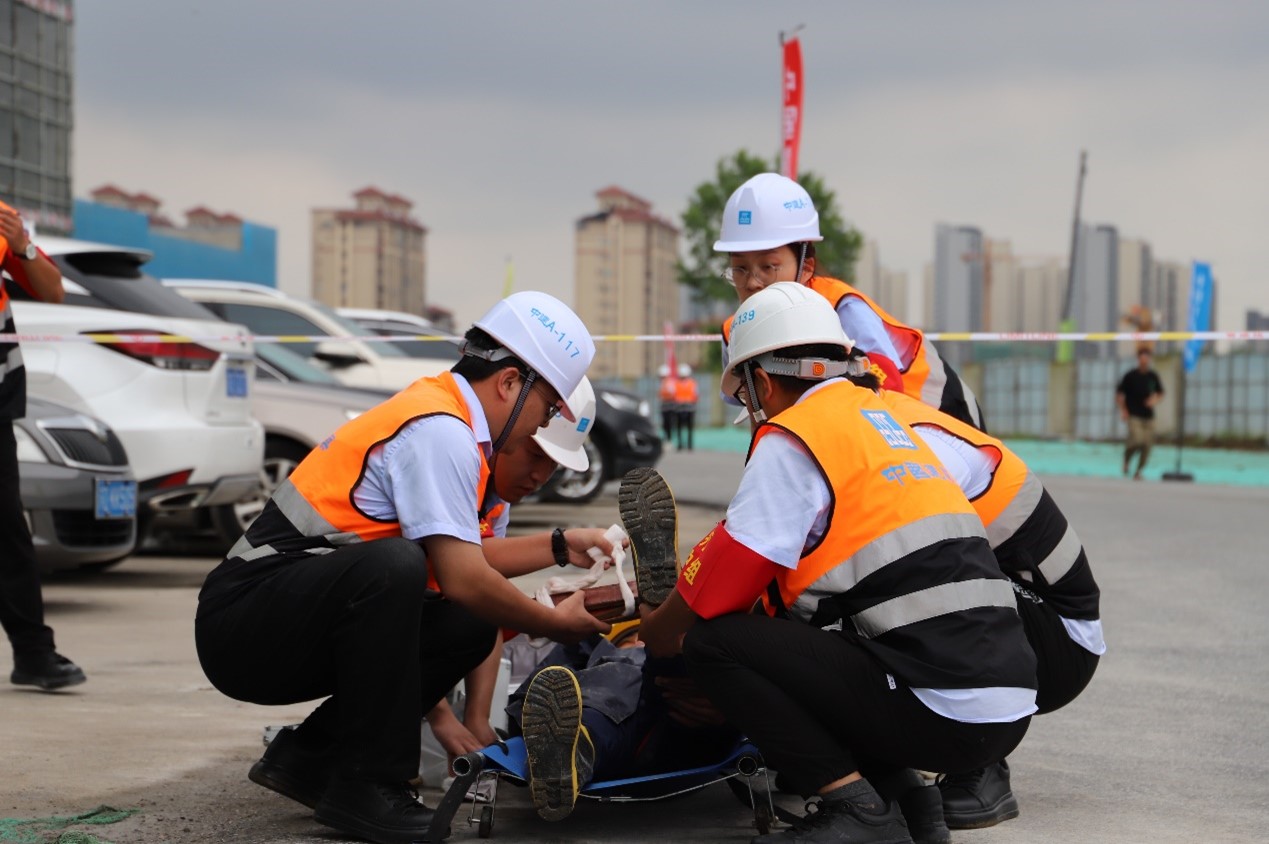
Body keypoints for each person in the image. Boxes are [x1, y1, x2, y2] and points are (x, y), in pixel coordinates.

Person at [194, 291, 612, 844]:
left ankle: (310, 760)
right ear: (510, 383)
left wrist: (561, 544)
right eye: (548, 407)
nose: (544, 422)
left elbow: (471, 573)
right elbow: (463, 575)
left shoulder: (466, 439)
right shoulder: (440, 431)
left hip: (284, 617)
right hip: (241, 624)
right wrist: (552, 622)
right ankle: (369, 786)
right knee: (395, 566)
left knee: (466, 620)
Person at [639, 283, 1037, 844]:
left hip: (941, 706)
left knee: (715, 645)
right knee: (818, 634)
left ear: (764, 381)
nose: (752, 412)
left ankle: (855, 810)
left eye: (748, 396)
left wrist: (655, 632)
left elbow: (723, 587)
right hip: (1006, 706)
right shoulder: (886, 423)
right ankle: (910, 801)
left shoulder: (795, 436)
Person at [878, 388, 1104, 830]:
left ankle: (983, 762)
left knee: (911, 575)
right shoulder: (880, 418)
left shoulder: (910, 445)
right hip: (1029, 617)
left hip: (1059, 640)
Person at [715, 172, 985, 430]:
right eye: (740, 268)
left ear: (806, 266)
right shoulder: (737, 331)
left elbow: (885, 390)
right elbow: (752, 405)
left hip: (944, 423)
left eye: (768, 266)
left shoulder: (843, 310)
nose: (752, 282)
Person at [0, 203, 87, 692]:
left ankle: (34, 654)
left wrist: (23, 247)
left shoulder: (1, 218)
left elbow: (51, 290)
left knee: (7, 531)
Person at [1116, 348, 1164, 480]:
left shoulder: (1152, 376)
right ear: (1139, 359)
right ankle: (1126, 458)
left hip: (1148, 416)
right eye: (1142, 357)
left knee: (1147, 445)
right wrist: (1124, 410)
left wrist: (1154, 400)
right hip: (1134, 415)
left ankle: (1138, 471)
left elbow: (1160, 393)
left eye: (1146, 357)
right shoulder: (1130, 376)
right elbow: (1119, 395)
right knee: (1137, 440)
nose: (1144, 360)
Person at [673, 363, 699, 451]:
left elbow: (695, 395)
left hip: (688, 408)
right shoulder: (679, 383)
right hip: (681, 408)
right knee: (681, 428)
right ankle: (682, 445)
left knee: (688, 428)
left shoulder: (691, 383)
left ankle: (688, 445)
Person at [657, 364, 678, 445]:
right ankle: (667, 438)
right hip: (664, 406)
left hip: (669, 406)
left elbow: (672, 394)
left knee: (668, 423)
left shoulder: (669, 383)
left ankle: (669, 439)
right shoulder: (662, 383)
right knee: (665, 424)